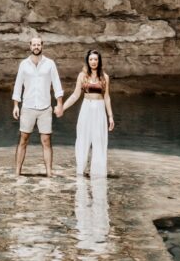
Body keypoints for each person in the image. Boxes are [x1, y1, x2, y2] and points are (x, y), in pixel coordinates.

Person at [12, 35, 64, 177]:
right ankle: (17, 172)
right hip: (27, 107)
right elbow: (18, 86)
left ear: (42, 45)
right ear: (30, 46)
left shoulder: (50, 64)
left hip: (45, 107)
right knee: (23, 138)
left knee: (46, 140)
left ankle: (49, 173)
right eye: (33, 45)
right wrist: (16, 105)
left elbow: (57, 85)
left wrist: (59, 104)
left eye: (38, 45)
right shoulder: (24, 64)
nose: (36, 47)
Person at [60, 48, 114, 177]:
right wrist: (62, 107)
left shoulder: (105, 77)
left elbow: (107, 97)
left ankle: (98, 173)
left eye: (95, 59)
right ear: (87, 61)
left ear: (99, 61)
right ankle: (81, 171)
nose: (93, 61)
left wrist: (110, 117)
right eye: (91, 59)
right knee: (82, 139)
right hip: (86, 109)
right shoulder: (82, 76)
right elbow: (75, 95)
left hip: (100, 110)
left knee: (99, 140)